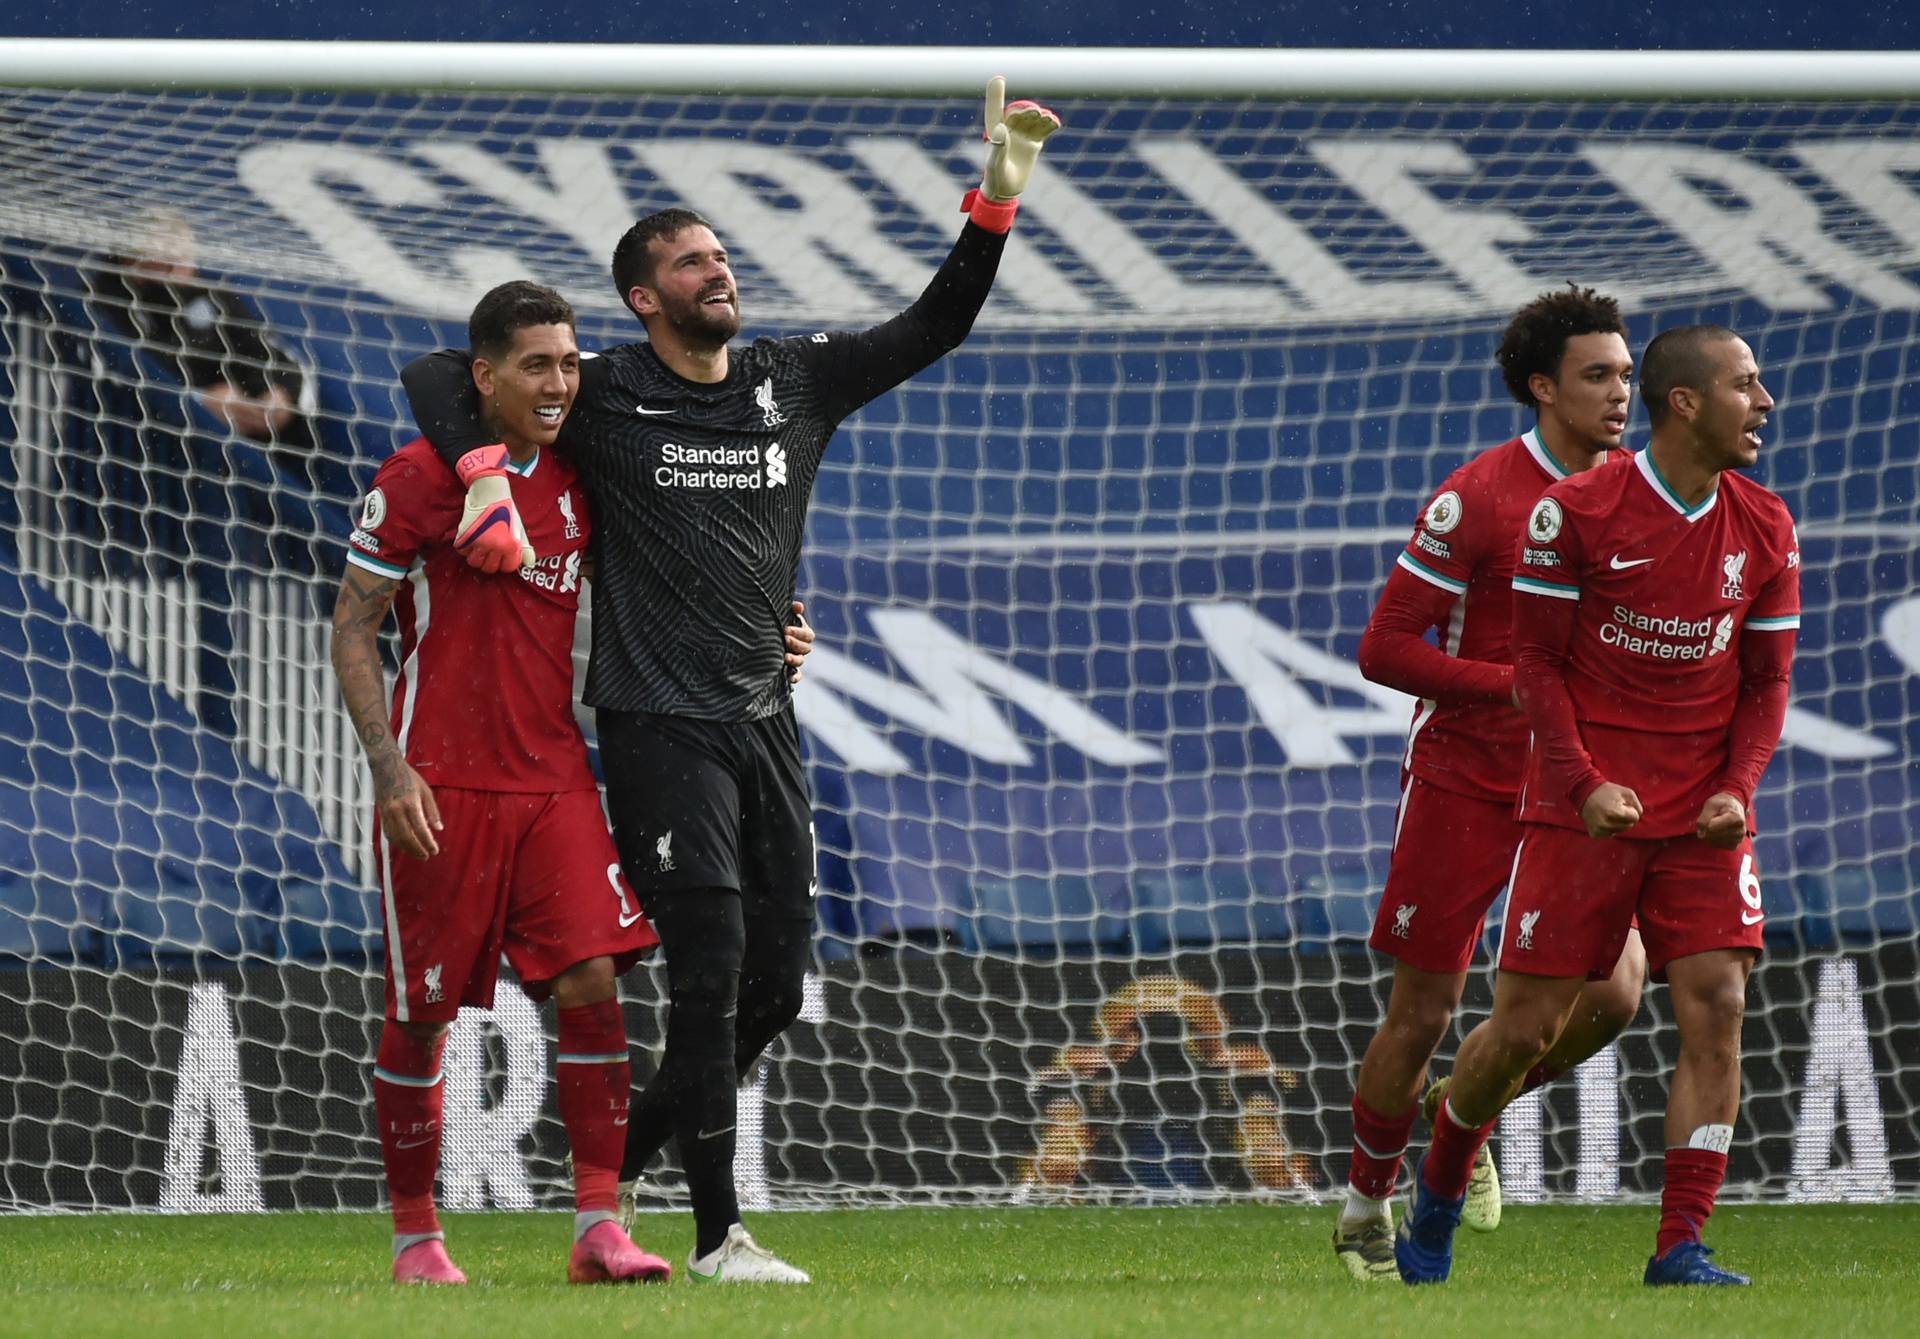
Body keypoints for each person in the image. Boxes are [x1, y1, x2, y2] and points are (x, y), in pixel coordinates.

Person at [400, 79, 1061, 1283]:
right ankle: (719, 1238)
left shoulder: (791, 379)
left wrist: (998, 193)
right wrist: (491, 476)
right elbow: (439, 374)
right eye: (690, 261)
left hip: (768, 718)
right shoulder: (598, 394)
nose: (718, 270)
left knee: (770, 988)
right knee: (704, 981)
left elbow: (936, 324)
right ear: (644, 298)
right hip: (660, 724)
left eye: (720, 253)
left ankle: (618, 1177)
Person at [332, 279, 816, 1287]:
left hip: (555, 775)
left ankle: (601, 1225)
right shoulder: (417, 478)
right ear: (486, 376)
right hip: (443, 783)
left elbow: (666, 574)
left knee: (594, 983)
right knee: (422, 1012)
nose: (560, 384)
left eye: (568, 364)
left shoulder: (576, 481)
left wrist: (767, 631)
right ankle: (416, 1239)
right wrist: (389, 769)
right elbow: (352, 625)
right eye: (537, 366)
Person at [1395, 325, 1797, 1287]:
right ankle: (1443, 1180)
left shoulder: (1767, 524)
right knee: (1527, 1027)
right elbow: (1533, 665)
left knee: (1720, 1002)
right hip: (1584, 808)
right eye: (1747, 384)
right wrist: (1582, 785)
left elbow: (1766, 684)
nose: (1767, 401)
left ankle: (1680, 1244)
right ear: (1687, 404)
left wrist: (1736, 790)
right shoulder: (1573, 512)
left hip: (1703, 812)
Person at [1334, 286, 1649, 1279]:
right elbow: (1383, 647)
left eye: (1628, 375)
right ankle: (1362, 1211)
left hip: (1582, 788)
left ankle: (1452, 1113)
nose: (1619, 395)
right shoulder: (1478, 495)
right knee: (1424, 1010)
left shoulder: (1647, 494)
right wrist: (1511, 688)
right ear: (1542, 387)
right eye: (1598, 375)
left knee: (1615, 994)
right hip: (1466, 777)